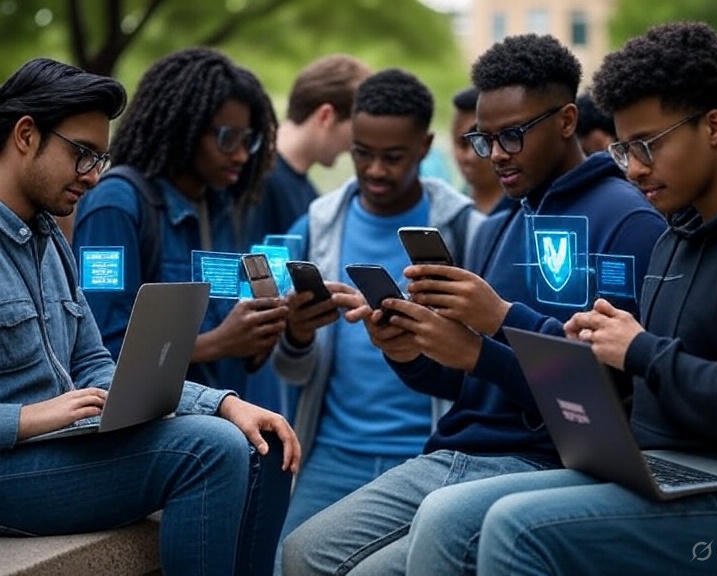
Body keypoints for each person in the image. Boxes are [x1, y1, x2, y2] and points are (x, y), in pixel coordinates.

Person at [281, 34, 667, 576]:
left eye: (513, 135)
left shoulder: (628, 221)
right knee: (302, 551)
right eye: (485, 139)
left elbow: (612, 395)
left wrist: (491, 333)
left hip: (545, 465)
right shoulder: (501, 223)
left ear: (566, 121)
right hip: (457, 452)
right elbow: (464, 382)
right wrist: (409, 351)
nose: (497, 154)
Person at [404, 22, 717, 576]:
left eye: (648, 145)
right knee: (447, 516)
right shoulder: (675, 236)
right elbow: (640, 390)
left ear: (714, 126)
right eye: (624, 149)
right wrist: (591, 353)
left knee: (511, 527)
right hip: (656, 466)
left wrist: (639, 351)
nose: (635, 167)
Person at [0, 57, 300, 576]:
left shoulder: (50, 243)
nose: (93, 175)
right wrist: (25, 419)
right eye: (82, 154)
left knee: (264, 443)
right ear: (26, 135)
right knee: (209, 451)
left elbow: (96, 363)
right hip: (14, 464)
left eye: (100, 157)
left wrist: (224, 403)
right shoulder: (119, 205)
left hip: (65, 444)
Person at [271, 67, 485, 564]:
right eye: (362, 153)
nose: (375, 170)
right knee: (290, 560)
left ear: (424, 146)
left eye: (393, 157)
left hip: (429, 452)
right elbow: (290, 368)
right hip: (330, 452)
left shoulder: (467, 228)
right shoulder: (318, 223)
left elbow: (484, 356)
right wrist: (297, 332)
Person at [72, 48, 289, 398]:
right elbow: (100, 353)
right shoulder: (116, 204)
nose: (241, 154)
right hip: (157, 425)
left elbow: (228, 336)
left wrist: (263, 332)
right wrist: (217, 343)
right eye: (227, 138)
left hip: (227, 417)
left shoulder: (220, 205)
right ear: (184, 129)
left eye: (248, 140)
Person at [242, 54, 371, 413]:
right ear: (327, 115)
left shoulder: (310, 196)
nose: (353, 147)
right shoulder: (256, 181)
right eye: (355, 132)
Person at [451, 86, 510, 214]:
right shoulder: (449, 210)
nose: (472, 156)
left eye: (484, 142)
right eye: (463, 144)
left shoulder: (529, 211)